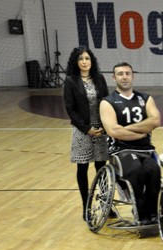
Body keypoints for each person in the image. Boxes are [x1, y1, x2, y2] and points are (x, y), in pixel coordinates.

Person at [99, 62, 161, 224]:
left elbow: (155, 121)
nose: (124, 77)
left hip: (145, 149)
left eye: (127, 73)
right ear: (114, 77)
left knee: (154, 170)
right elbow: (113, 131)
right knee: (136, 170)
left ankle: (153, 213)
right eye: (120, 74)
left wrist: (126, 129)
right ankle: (140, 214)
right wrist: (141, 132)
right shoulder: (107, 102)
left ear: (133, 76)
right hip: (121, 150)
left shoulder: (145, 98)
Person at [63, 46, 110, 220]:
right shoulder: (71, 81)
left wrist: (104, 125)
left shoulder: (99, 78)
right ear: (75, 62)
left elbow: (107, 101)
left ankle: (106, 204)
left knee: (101, 167)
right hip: (82, 130)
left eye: (87, 58)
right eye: (81, 59)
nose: (84, 62)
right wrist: (86, 128)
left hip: (100, 130)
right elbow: (70, 108)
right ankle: (86, 206)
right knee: (82, 168)